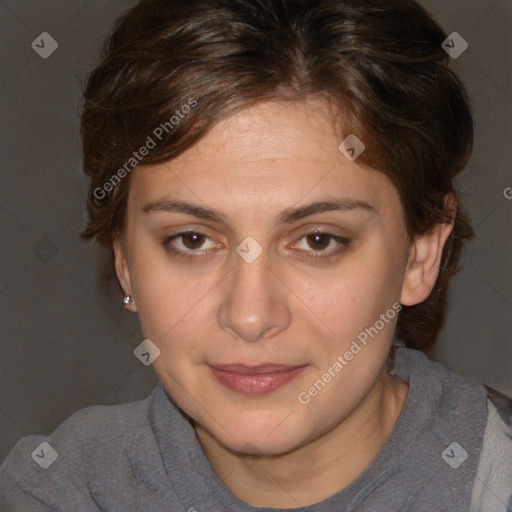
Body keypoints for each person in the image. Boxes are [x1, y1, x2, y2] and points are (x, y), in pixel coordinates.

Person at [1, 0, 511, 510]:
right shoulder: (61, 490)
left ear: (420, 255)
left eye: (318, 240)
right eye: (193, 240)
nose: (249, 316)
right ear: (125, 260)